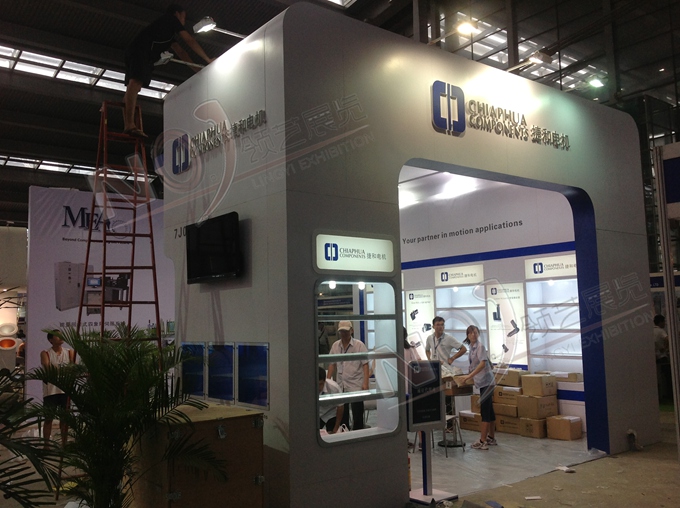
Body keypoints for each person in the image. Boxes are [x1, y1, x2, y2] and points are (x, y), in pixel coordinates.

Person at [123, 4, 214, 137]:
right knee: (135, 83)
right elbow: (189, 40)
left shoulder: (167, 31)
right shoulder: (170, 19)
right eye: (183, 17)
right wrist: (207, 59)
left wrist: (197, 70)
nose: (183, 21)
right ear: (177, 14)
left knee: (133, 86)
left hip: (138, 53)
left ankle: (128, 123)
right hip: (140, 52)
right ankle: (129, 125)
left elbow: (182, 53)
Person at [425, 316, 467, 433]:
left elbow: (463, 349)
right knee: (436, 397)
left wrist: (452, 358)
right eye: (438, 325)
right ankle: (438, 423)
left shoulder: (449, 338)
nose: (440, 327)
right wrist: (430, 360)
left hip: (446, 373)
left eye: (442, 324)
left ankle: (450, 426)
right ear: (433, 326)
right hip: (435, 371)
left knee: (448, 398)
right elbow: (427, 349)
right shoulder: (430, 338)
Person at [327, 321, 369, 430]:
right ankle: (345, 433)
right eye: (342, 331)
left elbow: (365, 364)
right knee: (342, 414)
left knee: (357, 413)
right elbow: (332, 364)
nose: (344, 334)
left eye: (346, 331)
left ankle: (358, 433)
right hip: (341, 384)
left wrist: (365, 383)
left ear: (351, 331)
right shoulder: (336, 345)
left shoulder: (359, 345)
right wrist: (328, 381)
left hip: (355, 384)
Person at [460, 325, 496, 450]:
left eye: (475, 332)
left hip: (487, 382)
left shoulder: (480, 347)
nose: (473, 335)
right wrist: (468, 376)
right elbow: (475, 364)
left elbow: (482, 364)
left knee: (485, 411)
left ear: (478, 333)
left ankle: (482, 441)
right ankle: (491, 437)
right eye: (470, 333)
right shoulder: (471, 347)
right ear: (467, 335)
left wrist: (469, 376)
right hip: (482, 382)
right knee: (489, 410)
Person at [40, 330, 74, 446]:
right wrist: (64, 369)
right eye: (57, 336)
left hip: (65, 390)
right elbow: (48, 369)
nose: (60, 337)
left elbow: (73, 368)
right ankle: (46, 445)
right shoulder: (45, 353)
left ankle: (64, 443)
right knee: (48, 418)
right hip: (51, 391)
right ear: (51, 340)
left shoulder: (69, 352)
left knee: (64, 418)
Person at [318, 366, 344, 434]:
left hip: (331, 412)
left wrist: (336, 428)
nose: (318, 387)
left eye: (320, 384)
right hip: (316, 413)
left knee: (332, 435)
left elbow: (340, 407)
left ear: (325, 381)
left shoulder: (334, 388)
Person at [653, 314, 672, 402]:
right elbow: (668, 339)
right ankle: (670, 394)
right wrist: (666, 348)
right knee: (668, 376)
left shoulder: (651, 331)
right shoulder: (661, 331)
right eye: (664, 321)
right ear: (660, 322)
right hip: (662, 356)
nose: (665, 323)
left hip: (655, 357)